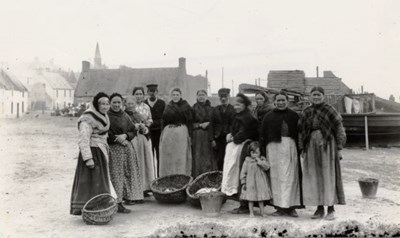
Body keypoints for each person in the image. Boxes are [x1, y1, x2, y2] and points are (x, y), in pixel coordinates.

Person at [298, 86, 346, 220]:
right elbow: (301, 131)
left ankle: (331, 208)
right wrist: (302, 148)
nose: (316, 97)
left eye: (319, 95)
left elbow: (339, 129)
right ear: (310, 96)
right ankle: (319, 209)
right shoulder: (306, 111)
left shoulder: (330, 110)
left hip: (328, 144)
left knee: (328, 175)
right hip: (311, 145)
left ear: (323, 96)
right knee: (314, 176)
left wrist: (339, 148)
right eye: (314, 95)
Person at [70, 92, 115, 215]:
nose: (105, 107)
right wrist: (88, 158)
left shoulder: (104, 116)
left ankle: (101, 207)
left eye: (107, 104)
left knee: (100, 181)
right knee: (90, 181)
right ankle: (87, 208)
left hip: (101, 151)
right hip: (92, 151)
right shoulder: (88, 118)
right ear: (96, 104)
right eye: (102, 104)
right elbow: (83, 139)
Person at [260, 92, 303, 217]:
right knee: (276, 178)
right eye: (278, 100)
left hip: (290, 147)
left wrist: (300, 148)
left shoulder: (294, 116)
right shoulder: (268, 116)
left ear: (287, 101)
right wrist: (262, 151)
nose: (280, 103)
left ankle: (291, 207)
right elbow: (263, 134)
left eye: (283, 100)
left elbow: (300, 133)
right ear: (274, 102)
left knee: (291, 177)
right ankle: (279, 207)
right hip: (273, 149)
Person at [221, 93, 259, 213]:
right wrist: (230, 134)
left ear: (244, 105)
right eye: (234, 104)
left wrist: (233, 138)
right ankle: (243, 203)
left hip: (244, 148)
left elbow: (244, 133)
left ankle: (245, 205)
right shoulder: (239, 115)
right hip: (237, 146)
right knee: (238, 175)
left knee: (243, 175)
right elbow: (235, 130)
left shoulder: (247, 117)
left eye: (238, 104)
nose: (236, 107)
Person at [108, 93, 143, 213]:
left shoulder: (124, 115)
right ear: (110, 103)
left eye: (119, 102)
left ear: (122, 103)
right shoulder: (106, 116)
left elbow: (133, 130)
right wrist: (117, 139)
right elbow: (105, 133)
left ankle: (127, 198)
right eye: (114, 102)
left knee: (127, 174)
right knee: (116, 175)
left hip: (127, 149)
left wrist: (125, 135)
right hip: (114, 149)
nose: (117, 105)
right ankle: (116, 202)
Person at [159, 88, 193, 177]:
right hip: (169, 134)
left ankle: (181, 175)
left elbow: (190, 121)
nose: (175, 97)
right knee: (169, 155)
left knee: (180, 155)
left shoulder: (186, 106)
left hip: (181, 133)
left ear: (180, 95)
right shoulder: (168, 106)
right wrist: (163, 133)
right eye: (173, 95)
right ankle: (168, 175)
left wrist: (190, 134)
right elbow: (163, 120)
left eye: (177, 95)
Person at [131, 87, 156, 195]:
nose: (138, 96)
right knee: (137, 160)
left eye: (140, 94)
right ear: (133, 95)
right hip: (135, 136)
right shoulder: (130, 106)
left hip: (145, 134)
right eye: (136, 94)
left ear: (143, 95)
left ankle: (146, 187)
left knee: (146, 160)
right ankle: (137, 187)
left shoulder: (146, 106)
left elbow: (150, 119)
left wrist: (147, 124)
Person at [240, 141, 271, 217]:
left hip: (260, 182)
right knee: (251, 199)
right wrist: (243, 182)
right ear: (250, 152)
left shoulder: (262, 160)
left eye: (257, 152)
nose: (255, 154)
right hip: (250, 182)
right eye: (253, 152)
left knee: (261, 199)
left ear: (260, 152)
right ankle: (251, 213)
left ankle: (262, 212)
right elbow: (243, 172)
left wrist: (259, 161)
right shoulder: (247, 161)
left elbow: (267, 167)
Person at [191, 89, 216, 177]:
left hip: (208, 135)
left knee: (208, 156)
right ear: (197, 97)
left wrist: (209, 123)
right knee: (198, 156)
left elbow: (215, 122)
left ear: (206, 96)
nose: (201, 97)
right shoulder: (193, 109)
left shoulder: (212, 109)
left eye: (203, 95)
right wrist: (200, 125)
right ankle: (197, 177)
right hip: (197, 135)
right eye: (199, 95)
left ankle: (209, 176)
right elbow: (190, 123)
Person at [209, 88, 235, 171]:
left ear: (229, 97)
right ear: (219, 98)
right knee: (219, 159)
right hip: (218, 138)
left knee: (230, 158)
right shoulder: (215, 110)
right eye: (221, 97)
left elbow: (235, 124)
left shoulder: (233, 109)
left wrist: (232, 135)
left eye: (225, 97)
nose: (223, 99)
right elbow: (211, 125)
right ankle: (220, 177)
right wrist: (212, 139)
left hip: (230, 139)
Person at [144, 84, 166, 176]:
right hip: (148, 133)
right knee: (149, 156)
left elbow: (164, 118)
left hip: (159, 132)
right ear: (147, 92)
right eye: (150, 91)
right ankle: (151, 177)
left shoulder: (162, 103)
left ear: (157, 92)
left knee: (159, 156)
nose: (152, 94)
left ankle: (159, 176)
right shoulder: (144, 103)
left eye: (154, 91)